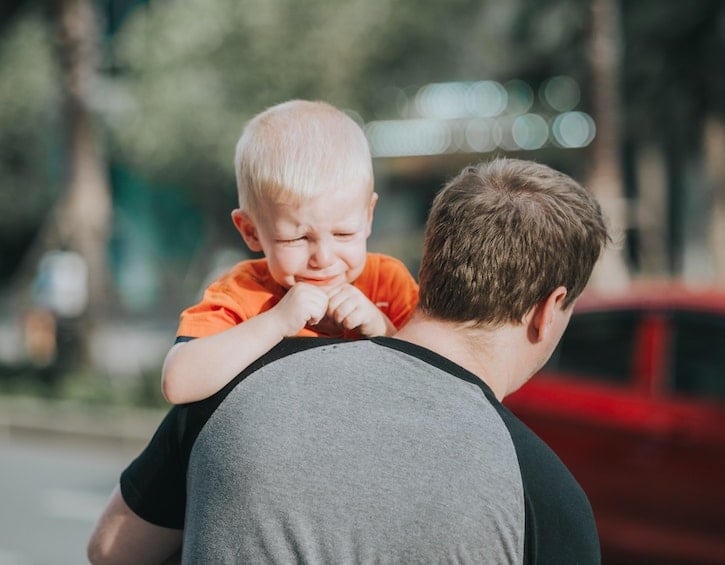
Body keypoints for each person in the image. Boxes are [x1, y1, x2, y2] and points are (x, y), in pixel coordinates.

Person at [88, 158, 609, 564]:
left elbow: (111, 550)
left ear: (430, 265)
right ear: (546, 312)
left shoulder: (234, 387)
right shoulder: (545, 497)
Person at [161, 100, 419, 404]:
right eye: (296, 238)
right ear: (250, 231)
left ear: (369, 217)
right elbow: (178, 384)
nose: (323, 258)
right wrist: (275, 322)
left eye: (343, 233)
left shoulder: (388, 283)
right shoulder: (242, 293)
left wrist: (383, 329)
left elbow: (437, 382)